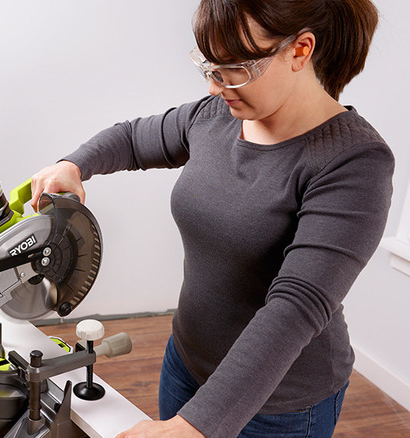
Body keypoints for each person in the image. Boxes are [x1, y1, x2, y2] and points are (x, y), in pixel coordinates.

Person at [30, 0, 393, 437]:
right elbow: (129, 138)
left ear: (300, 50)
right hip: (186, 362)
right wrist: (73, 165)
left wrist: (194, 426)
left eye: (234, 68)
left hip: (279, 404)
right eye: (210, 67)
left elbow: (297, 305)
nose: (215, 87)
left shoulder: (354, 162)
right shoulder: (217, 115)